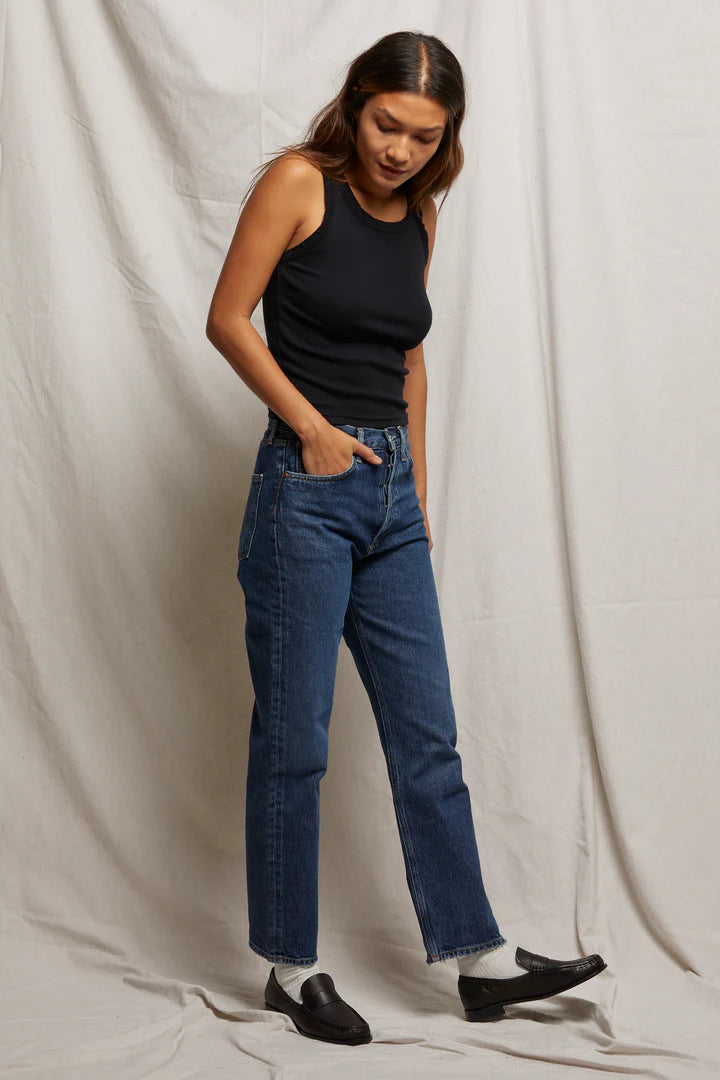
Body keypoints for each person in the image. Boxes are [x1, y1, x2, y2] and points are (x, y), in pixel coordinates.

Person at [206, 30, 606, 1045]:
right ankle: (291, 968)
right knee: (295, 743)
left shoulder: (421, 216)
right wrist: (311, 431)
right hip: (304, 484)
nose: (400, 151)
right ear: (357, 105)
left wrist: (412, 494)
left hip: (387, 500)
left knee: (428, 737)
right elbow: (227, 319)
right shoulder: (299, 183)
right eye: (388, 125)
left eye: (424, 136)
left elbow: (409, 360)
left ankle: (479, 958)